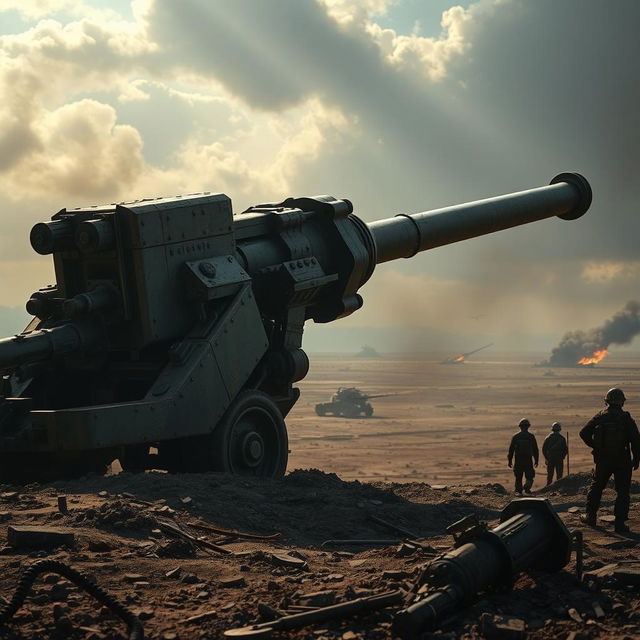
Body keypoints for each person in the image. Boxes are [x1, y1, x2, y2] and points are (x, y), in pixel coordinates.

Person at [580, 388, 640, 534]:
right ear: (622, 402)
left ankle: (591, 517)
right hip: (622, 459)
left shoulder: (600, 417)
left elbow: (584, 433)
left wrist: (596, 446)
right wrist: (636, 459)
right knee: (623, 491)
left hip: (603, 459)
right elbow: (636, 441)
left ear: (606, 401)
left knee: (597, 486)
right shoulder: (626, 419)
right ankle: (619, 524)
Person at [508, 418, 539, 495]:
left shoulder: (516, 436)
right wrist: (536, 460)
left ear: (520, 426)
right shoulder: (531, 436)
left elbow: (511, 449)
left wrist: (510, 460)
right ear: (528, 426)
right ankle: (527, 488)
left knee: (518, 476)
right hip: (528, 459)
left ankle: (518, 490)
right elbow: (535, 449)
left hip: (518, 459)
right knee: (529, 476)